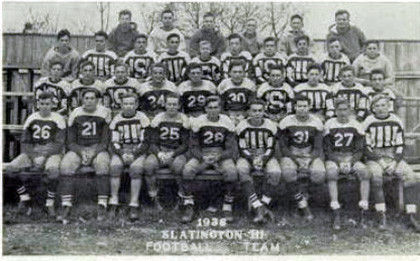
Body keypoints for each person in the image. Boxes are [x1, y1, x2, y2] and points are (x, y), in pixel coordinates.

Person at [364, 95, 420, 232]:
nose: (380, 108)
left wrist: (395, 161)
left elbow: (400, 145)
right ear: (373, 108)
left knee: (410, 176)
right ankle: (381, 214)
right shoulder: (368, 121)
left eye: (383, 105)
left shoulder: (396, 120)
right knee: (376, 176)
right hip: (375, 157)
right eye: (377, 106)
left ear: (388, 106)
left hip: (393, 156)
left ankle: (411, 215)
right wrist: (381, 162)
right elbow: (366, 147)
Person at [6, 92, 66, 219]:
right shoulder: (31, 118)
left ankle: (50, 203)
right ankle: (24, 198)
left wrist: (44, 156)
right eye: (42, 104)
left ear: (52, 105)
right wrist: (34, 156)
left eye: (47, 104)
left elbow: (59, 143)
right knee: (11, 169)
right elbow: (25, 142)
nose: (45, 107)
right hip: (33, 152)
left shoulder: (58, 118)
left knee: (53, 171)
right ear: (38, 104)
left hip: (52, 153)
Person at [59, 89, 112, 224]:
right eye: (86, 98)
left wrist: (93, 152)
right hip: (79, 148)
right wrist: (81, 152)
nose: (89, 101)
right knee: (66, 165)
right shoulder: (75, 113)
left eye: (92, 98)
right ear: (82, 100)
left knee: (102, 164)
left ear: (97, 100)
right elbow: (70, 141)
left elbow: (105, 141)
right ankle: (66, 205)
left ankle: (102, 205)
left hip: (97, 148)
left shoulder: (104, 112)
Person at [181, 96, 238, 223]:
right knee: (187, 170)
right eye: (210, 107)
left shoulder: (227, 121)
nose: (213, 110)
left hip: (221, 154)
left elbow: (231, 148)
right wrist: (203, 157)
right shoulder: (198, 121)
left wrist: (219, 157)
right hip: (202, 154)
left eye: (216, 107)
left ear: (220, 108)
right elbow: (193, 146)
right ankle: (189, 205)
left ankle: (227, 206)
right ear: (205, 108)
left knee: (232, 172)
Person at [324, 98, 369, 230]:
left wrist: (351, 161)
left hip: (351, 157)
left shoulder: (356, 125)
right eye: (339, 109)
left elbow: (360, 149)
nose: (342, 112)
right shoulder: (329, 124)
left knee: (365, 172)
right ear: (335, 111)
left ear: (350, 110)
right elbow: (327, 149)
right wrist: (339, 162)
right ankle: (335, 208)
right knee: (331, 172)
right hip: (335, 157)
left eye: (345, 109)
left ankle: (363, 209)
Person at [279, 95, 325, 222]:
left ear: (309, 107)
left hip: (309, 153)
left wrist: (309, 159)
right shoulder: (286, 121)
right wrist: (295, 159)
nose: (302, 109)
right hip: (291, 153)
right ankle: (302, 204)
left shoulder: (316, 122)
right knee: (288, 172)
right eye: (299, 106)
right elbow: (283, 147)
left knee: (319, 174)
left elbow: (317, 147)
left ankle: (303, 198)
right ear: (294, 107)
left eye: (305, 106)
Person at [236, 100, 280, 224]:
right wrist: (252, 159)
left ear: (264, 111)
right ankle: (257, 205)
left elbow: (271, 148)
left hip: (265, 154)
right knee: (241, 169)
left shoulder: (270, 125)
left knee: (276, 172)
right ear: (249, 112)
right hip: (247, 155)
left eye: (260, 110)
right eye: (254, 110)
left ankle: (263, 205)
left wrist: (263, 159)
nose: (257, 113)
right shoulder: (242, 126)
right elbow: (242, 148)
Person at [108, 93, 150, 221]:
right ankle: (114, 200)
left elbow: (146, 141)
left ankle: (134, 203)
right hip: (122, 149)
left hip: (138, 149)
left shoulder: (142, 117)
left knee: (136, 169)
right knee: (115, 167)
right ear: (121, 105)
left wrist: (134, 154)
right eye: (125, 104)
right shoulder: (116, 119)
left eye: (131, 103)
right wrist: (122, 153)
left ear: (136, 105)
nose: (128, 106)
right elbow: (114, 141)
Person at [144, 94, 190, 210]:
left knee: (179, 167)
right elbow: (152, 142)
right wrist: (159, 153)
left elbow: (185, 144)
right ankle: (154, 196)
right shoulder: (158, 118)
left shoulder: (183, 119)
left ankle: (181, 196)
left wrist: (173, 154)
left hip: (176, 152)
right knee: (148, 166)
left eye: (174, 104)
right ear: (164, 105)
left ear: (179, 105)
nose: (171, 107)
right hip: (161, 150)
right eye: (169, 104)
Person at [217, 61, 257, 125]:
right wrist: (228, 116)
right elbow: (220, 105)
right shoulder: (224, 84)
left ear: (244, 73)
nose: (237, 75)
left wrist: (243, 116)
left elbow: (252, 105)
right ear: (229, 73)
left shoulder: (250, 84)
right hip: (228, 114)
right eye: (234, 72)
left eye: (240, 72)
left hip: (245, 115)